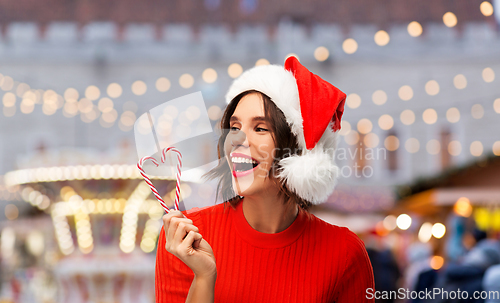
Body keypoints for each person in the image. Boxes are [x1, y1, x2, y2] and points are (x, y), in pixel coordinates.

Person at [155, 56, 375, 303]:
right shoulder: (186, 238)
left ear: (298, 151)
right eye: (235, 127)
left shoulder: (344, 253)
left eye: (260, 128)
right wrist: (204, 278)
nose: (237, 139)